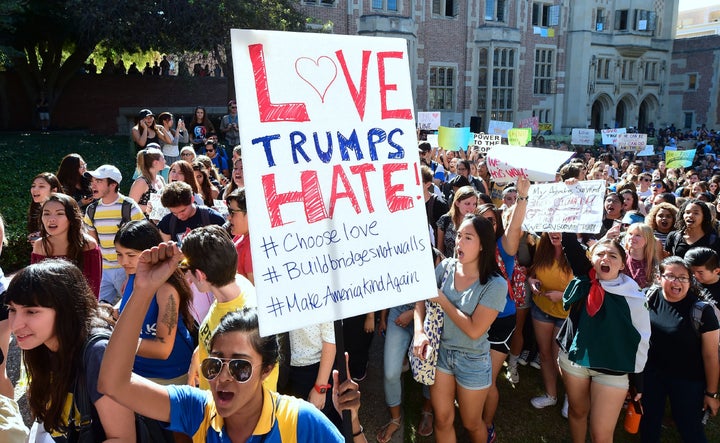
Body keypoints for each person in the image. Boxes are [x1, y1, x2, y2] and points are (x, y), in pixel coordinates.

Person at [100, 267, 367, 443]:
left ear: (267, 369)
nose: (223, 378)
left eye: (240, 367)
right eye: (214, 365)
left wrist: (353, 422)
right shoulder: (198, 410)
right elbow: (113, 384)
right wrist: (144, 290)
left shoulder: (300, 421)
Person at [5, 259, 136, 440]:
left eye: (31, 311)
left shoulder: (97, 353)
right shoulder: (40, 345)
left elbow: (123, 438)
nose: (15, 325)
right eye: (12, 309)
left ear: (65, 308)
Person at [413, 214, 507, 442]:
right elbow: (420, 300)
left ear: (483, 245)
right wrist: (419, 332)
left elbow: (475, 330)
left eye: (468, 238)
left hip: (473, 359)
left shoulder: (496, 284)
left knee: (472, 423)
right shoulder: (445, 267)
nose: (458, 242)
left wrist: (444, 300)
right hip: (440, 354)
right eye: (458, 236)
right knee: (442, 420)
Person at [559, 233, 651, 443]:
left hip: (613, 369)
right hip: (575, 361)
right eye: (600, 254)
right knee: (577, 412)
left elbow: (641, 339)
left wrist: (638, 378)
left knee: (601, 434)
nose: (605, 259)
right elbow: (570, 243)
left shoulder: (633, 296)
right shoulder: (585, 279)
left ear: (622, 264)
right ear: (591, 260)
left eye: (612, 255)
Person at [475, 176, 530, 442]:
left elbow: (515, 226)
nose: (487, 224)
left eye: (491, 220)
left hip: (500, 321)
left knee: (488, 378)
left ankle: (486, 425)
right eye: (481, 220)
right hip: (475, 319)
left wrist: (521, 197)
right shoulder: (470, 246)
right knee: (475, 374)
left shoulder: (503, 248)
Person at [641, 257, 719, 442]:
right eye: (671, 276)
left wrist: (711, 393)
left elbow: (711, 356)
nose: (677, 282)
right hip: (652, 376)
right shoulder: (649, 298)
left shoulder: (702, 311)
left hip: (688, 382)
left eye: (683, 277)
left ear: (690, 281)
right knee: (649, 423)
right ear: (659, 278)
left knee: (690, 428)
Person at [115, 220, 195, 385]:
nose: (123, 262)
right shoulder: (132, 275)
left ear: (151, 253)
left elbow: (163, 349)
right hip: (136, 371)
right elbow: (126, 305)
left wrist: (118, 339)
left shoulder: (166, 289)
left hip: (169, 376)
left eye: (131, 255)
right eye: (119, 254)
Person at [83, 165, 145, 304]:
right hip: (104, 270)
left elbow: (143, 239)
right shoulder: (91, 209)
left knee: (131, 309)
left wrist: (132, 274)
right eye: (93, 181)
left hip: (127, 269)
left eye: (98, 181)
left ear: (113, 184)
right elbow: (93, 245)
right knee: (99, 310)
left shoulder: (129, 206)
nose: (93, 185)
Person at [526, 233, 572, 416]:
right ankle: (551, 395)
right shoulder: (540, 246)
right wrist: (531, 281)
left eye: (560, 228)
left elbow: (588, 286)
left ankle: (571, 397)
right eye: (552, 227)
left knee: (560, 359)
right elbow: (532, 271)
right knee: (545, 354)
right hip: (541, 309)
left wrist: (562, 296)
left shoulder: (581, 253)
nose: (555, 233)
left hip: (566, 314)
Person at [31, 193, 102, 296]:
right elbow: (36, 287)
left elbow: (93, 289)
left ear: (71, 217)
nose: (51, 219)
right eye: (46, 214)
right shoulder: (39, 245)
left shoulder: (88, 245)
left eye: (59, 214)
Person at [157, 181, 225, 243]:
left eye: (183, 211)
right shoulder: (166, 223)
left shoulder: (214, 218)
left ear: (192, 199)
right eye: (174, 213)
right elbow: (167, 251)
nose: (180, 216)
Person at [436, 186, 478, 258]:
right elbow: (440, 249)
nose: (472, 208)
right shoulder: (445, 220)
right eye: (467, 203)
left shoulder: (477, 222)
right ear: (457, 203)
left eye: (474, 204)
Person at [225, 188, 253, 283]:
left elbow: (255, 291)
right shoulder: (241, 235)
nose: (228, 217)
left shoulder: (253, 248)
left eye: (233, 213)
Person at [129, 145, 166, 215]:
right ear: (155, 162)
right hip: (145, 223)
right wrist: (152, 208)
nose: (165, 161)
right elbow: (131, 206)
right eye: (163, 159)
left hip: (160, 223)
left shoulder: (161, 179)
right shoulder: (141, 182)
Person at [622, 222, 660, 288]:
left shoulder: (653, 262)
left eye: (638, 235)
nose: (632, 237)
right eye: (630, 234)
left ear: (647, 240)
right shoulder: (621, 257)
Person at [27, 172, 60, 243]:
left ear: (54, 190)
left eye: (41, 186)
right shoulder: (35, 210)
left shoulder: (64, 209)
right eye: (33, 186)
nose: (35, 189)